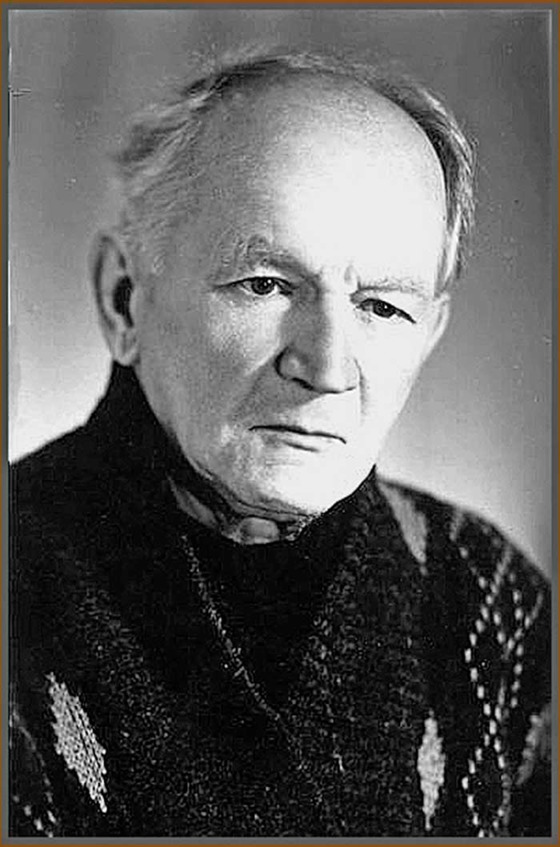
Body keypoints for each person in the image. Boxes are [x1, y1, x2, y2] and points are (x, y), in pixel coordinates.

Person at [9, 49, 550, 838]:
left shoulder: (491, 597)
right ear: (123, 298)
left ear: (430, 331)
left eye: (382, 307)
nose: (326, 368)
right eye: (264, 284)